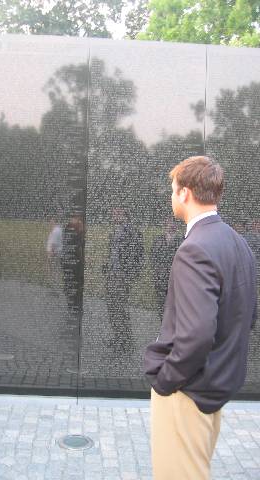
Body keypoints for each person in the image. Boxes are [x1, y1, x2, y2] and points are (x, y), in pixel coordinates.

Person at [144, 156, 257, 480]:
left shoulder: (194, 248)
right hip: (215, 389)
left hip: (186, 394)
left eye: (173, 188)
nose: (171, 196)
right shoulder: (239, 243)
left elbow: (196, 335)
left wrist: (166, 381)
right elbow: (248, 315)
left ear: (185, 193)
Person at [104, 208, 144, 353]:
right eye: (113, 212)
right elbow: (112, 253)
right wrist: (106, 266)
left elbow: (139, 255)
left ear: (124, 214)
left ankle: (126, 341)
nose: (114, 214)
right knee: (112, 306)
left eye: (117, 212)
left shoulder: (132, 232)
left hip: (122, 276)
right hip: (112, 275)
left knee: (120, 307)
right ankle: (118, 336)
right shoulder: (115, 231)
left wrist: (130, 275)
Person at [150, 217, 181, 319]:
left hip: (177, 281)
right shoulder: (158, 240)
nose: (171, 225)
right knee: (162, 309)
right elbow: (153, 258)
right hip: (160, 281)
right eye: (169, 222)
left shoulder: (182, 240)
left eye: (174, 223)